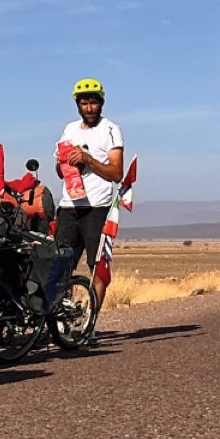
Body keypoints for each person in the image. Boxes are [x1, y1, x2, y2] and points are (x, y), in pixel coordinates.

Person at [54, 77, 124, 285]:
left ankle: (92, 316)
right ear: (77, 105)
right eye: (84, 104)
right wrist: (65, 163)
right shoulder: (70, 129)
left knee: (98, 266)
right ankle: (61, 313)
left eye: (93, 103)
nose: (89, 108)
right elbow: (59, 172)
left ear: (101, 103)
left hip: (96, 208)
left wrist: (88, 159)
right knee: (59, 266)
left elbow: (116, 174)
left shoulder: (110, 130)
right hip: (69, 206)